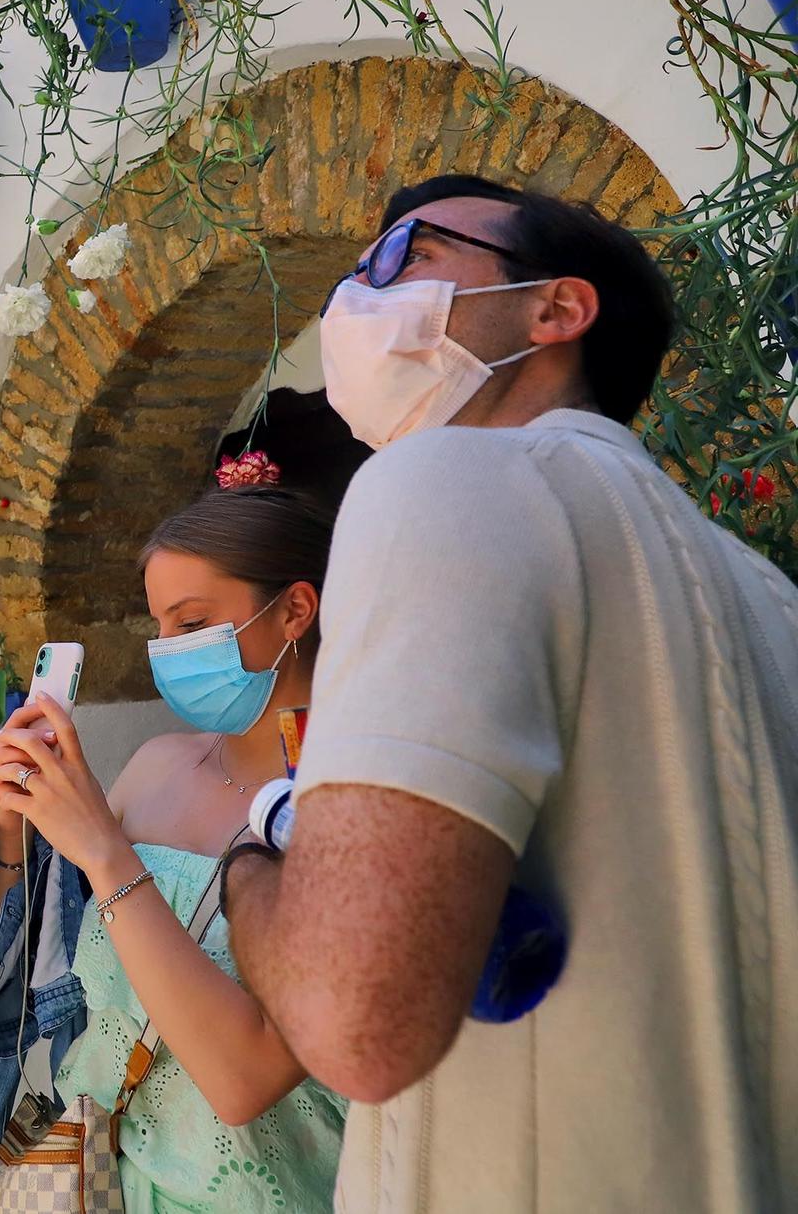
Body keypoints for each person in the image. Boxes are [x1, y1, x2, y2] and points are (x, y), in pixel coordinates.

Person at [221, 176, 798, 1211]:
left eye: (405, 255)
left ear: (553, 309)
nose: (357, 293)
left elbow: (353, 1017)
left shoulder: (440, 480)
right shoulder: (763, 592)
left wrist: (252, 859)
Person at [0, 484, 346, 1210]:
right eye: (161, 625)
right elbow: (31, 969)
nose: (171, 650)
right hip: (101, 1180)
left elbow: (245, 1081)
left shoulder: (352, 809)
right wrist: (13, 830)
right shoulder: (154, 768)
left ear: (295, 609)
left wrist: (105, 850)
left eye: (195, 622)